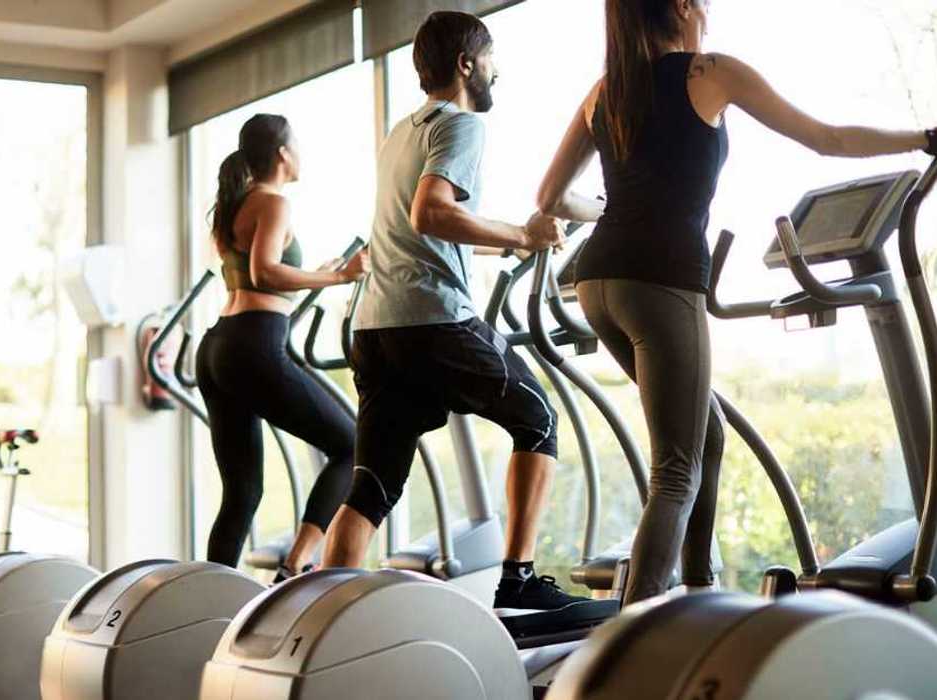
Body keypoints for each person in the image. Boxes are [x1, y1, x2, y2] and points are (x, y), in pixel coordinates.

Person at [536, 0, 937, 604]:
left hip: (597, 282)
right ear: (679, 7)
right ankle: (634, 641)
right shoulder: (711, 72)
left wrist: (610, 213)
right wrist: (924, 138)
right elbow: (828, 139)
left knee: (708, 435)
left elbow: (550, 197)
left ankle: (698, 591)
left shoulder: (604, 92)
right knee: (675, 470)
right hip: (664, 279)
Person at [320, 10, 581, 612]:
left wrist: (521, 237)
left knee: (373, 484)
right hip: (429, 319)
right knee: (538, 420)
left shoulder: (401, 133)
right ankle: (518, 578)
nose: (497, 72)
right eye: (490, 59)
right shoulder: (460, 125)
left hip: (374, 326)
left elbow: (430, 229)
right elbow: (430, 213)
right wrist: (520, 234)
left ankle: (322, 616)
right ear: (467, 64)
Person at [195, 113, 369, 582]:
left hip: (218, 347)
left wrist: (317, 273)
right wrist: (339, 275)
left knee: (242, 492)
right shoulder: (273, 202)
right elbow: (264, 273)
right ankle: (296, 565)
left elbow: (255, 277)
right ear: (283, 155)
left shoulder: (233, 204)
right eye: (298, 145)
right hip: (254, 344)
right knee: (352, 445)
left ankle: (203, 604)